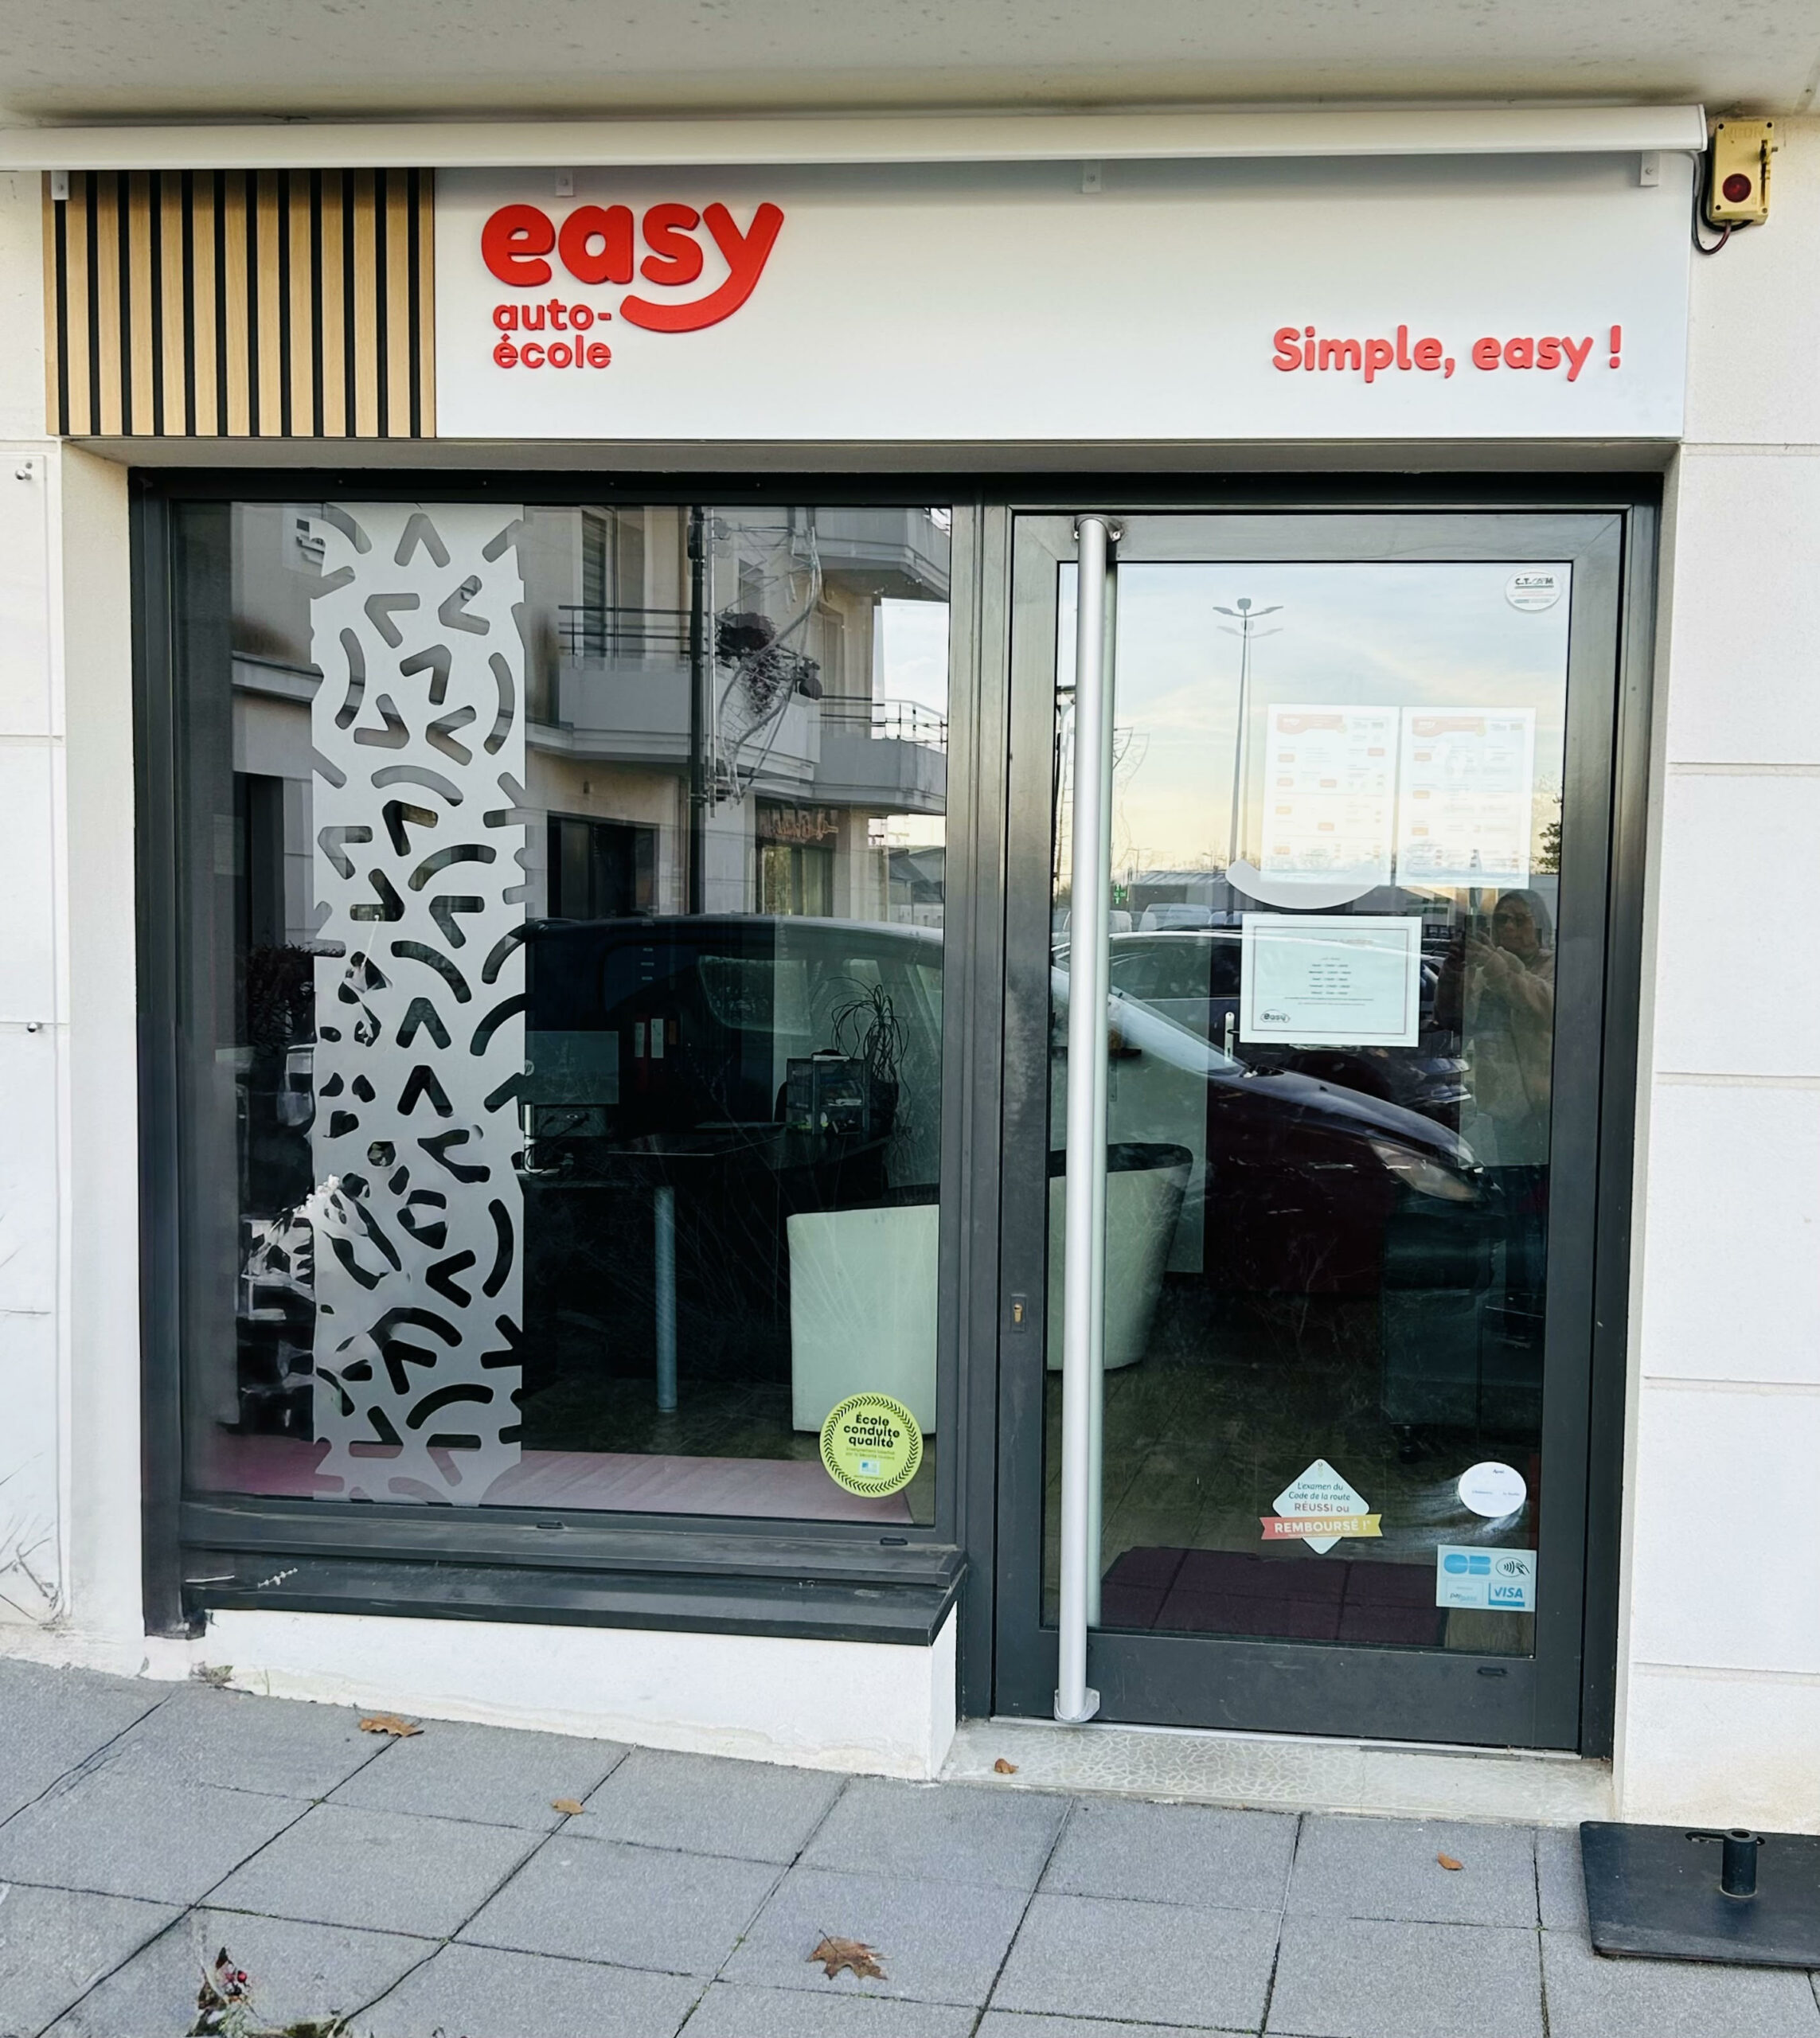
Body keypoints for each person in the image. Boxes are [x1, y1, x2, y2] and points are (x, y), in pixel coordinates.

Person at [1459, 888, 1556, 1165]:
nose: (1509, 928)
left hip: (1545, 1105)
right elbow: (1457, 1021)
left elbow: (1549, 1007)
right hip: (1499, 1106)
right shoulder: (1484, 970)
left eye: (1520, 920)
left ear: (1539, 924)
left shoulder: (1557, 965)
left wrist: (1496, 966)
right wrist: (1457, 971)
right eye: (1501, 920)